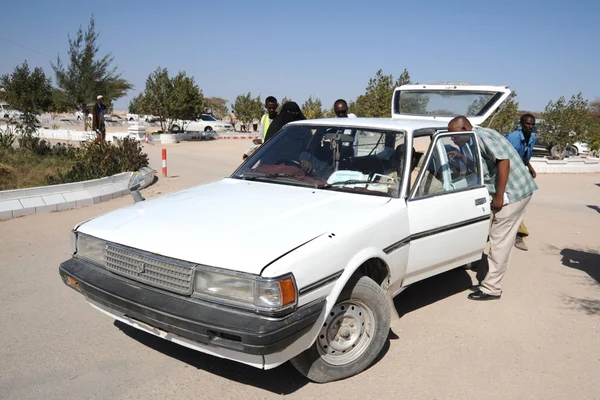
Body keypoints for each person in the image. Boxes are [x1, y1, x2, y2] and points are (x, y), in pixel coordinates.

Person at [448, 116, 538, 301]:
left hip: (514, 193)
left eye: (455, 135)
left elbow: (503, 161)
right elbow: (485, 163)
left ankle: (492, 288)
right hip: (510, 190)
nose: (453, 140)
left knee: (500, 240)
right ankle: (482, 270)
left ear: (465, 127)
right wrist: (460, 156)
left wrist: (499, 195)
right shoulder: (474, 139)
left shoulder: (482, 137)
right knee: (490, 233)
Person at [505, 114, 538, 251]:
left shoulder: (533, 138)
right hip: (508, 172)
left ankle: (517, 233)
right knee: (511, 204)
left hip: (520, 172)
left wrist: (530, 168)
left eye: (532, 124)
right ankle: (518, 234)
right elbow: (504, 157)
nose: (530, 126)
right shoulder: (512, 138)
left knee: (520, 203)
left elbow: (523, 156)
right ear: (521, 124)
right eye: (527, 124)